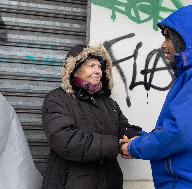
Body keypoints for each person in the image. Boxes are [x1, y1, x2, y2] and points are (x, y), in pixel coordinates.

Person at [120, 4, 192, 189]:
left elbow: (179, 134)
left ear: (186, 38)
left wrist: (134, 148)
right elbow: (178, 130)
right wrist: (141, 139)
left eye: (168, 37)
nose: (163, 45)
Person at [41, 45, 141, 189]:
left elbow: (122, 126)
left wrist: (135, 138)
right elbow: (66, 141)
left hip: (109, 182)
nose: (98, 71)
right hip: (70, 183)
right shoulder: (57, 99)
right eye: (91, 66)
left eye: (100, 67)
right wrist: (117, 145)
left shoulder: (108, 102)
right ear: (75, 70)